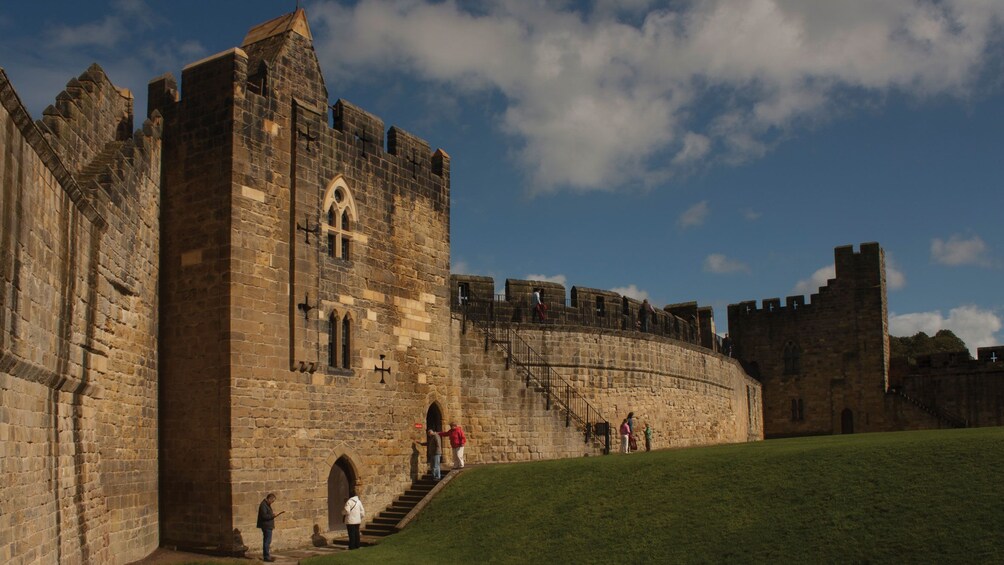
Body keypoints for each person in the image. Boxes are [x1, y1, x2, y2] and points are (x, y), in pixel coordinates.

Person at [256, 493, 284, 562]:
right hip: (266, 526)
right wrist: (273, 515)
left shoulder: (266, 505)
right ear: (269, 499)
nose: (272, 502)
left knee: (267, 541)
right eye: (272, 501)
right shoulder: (263, 505)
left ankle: (267, 556)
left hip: (268, 525)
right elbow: (264, 516)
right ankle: (266, 557)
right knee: (267, 541)